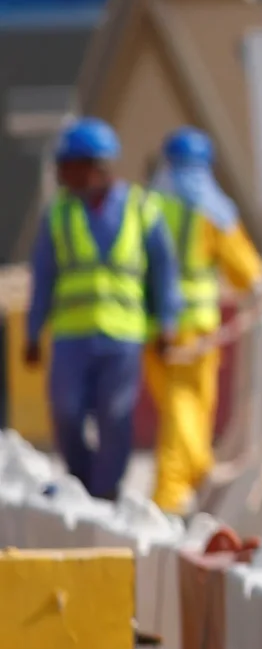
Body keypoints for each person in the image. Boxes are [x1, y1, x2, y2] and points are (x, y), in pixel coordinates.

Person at [22, 118, 180, 501]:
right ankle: (81, 481)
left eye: (68, 166)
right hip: (72, 336)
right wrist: (32, 332)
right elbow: (43, 276)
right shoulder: (58, 215)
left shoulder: (142, 209)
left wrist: (167, 323)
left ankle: (106, 488)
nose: (61, 175)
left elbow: (163, 268)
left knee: (115, 415)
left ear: (95, 166)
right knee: (66, 410)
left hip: (123, 336)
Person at [143, 127, 262, 511]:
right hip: (195, 326)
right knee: (190, 405)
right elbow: (245, 271)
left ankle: (192, 477)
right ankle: (171, 491)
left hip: (150, 327)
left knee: (181, 407)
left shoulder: (147, 205)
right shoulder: (212, 209)